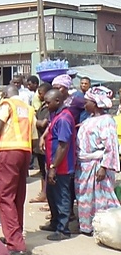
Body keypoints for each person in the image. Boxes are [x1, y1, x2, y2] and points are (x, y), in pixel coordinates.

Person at [0, 86, 38, 255]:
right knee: (17, 196)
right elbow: (34, 138)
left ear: (6, 94)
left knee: (5, 197)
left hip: (8, 152)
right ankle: (14, 235)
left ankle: (16, 245)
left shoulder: (6, 105)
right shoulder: (29, 109)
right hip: (25, 152)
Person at [75, 86, 120, 235]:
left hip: (97, 165)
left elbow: (111, 145)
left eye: (87, 102)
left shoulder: (106, 120)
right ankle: (87, 226)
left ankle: (107, 228)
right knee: (86, 197)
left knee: (102, 198)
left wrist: (104, 167)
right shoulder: (89, 119)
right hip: (84, 165)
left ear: (95, 103)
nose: (85, 105)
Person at [40, 89, 76, 241]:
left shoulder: (64, 119)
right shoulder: (56, 115)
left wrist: (54, 167)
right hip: (53, 164)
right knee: (52, 195)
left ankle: (63, 229)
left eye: (48, 102)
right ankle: (55, 223)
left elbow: (63, 145)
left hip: (62, 166)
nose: (46, 105)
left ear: (57, 101)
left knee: (62, 197)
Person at [29, 83, 52, 204]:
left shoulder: (50, 108)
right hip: (38, 142)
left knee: (48, 171)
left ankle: (48, 195)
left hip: (46, 143)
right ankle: (43, 194)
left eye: (41, 92)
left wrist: (34, 121)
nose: (39, 94)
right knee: (42, 171)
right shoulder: (43, 106)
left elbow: (43, 124)